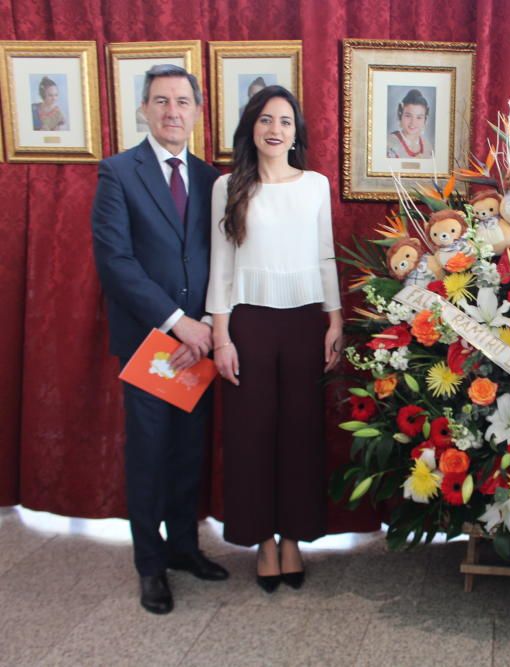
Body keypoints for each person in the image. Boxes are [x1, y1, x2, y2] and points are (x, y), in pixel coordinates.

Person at [91, 64, 228, 616]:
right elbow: (116, 264)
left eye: (182, 102)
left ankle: (184, 549)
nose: (173, 111)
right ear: (144, 110)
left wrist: (208, 329)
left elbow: (221, 258)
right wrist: (179, 323)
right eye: (161, 101)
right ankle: (150, 566)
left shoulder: (210, 176)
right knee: (149, 456)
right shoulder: (117, 173)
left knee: (188, 453)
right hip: (153, 344)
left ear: (197, 111)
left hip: (200, 345)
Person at [207, 85, 343, 593]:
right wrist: (221, 335)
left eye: (285, 121)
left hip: (307, 322)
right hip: (249, 326)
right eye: (266, 120)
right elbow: (221, 266)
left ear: (295, 133)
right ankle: (263, 540)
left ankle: (294, 539)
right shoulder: (228, 187)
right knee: (252, 435)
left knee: (301, 434)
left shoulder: (314, 184)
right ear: (252, 128)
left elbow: (326, 255)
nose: (275, 129)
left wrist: (336, 321)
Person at [386, 89, 434, 159]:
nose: (413, 122)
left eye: (419, 117)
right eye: (408, 116)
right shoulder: (389, 143)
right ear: (400, 115)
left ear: (425, 119)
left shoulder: (427, 146)